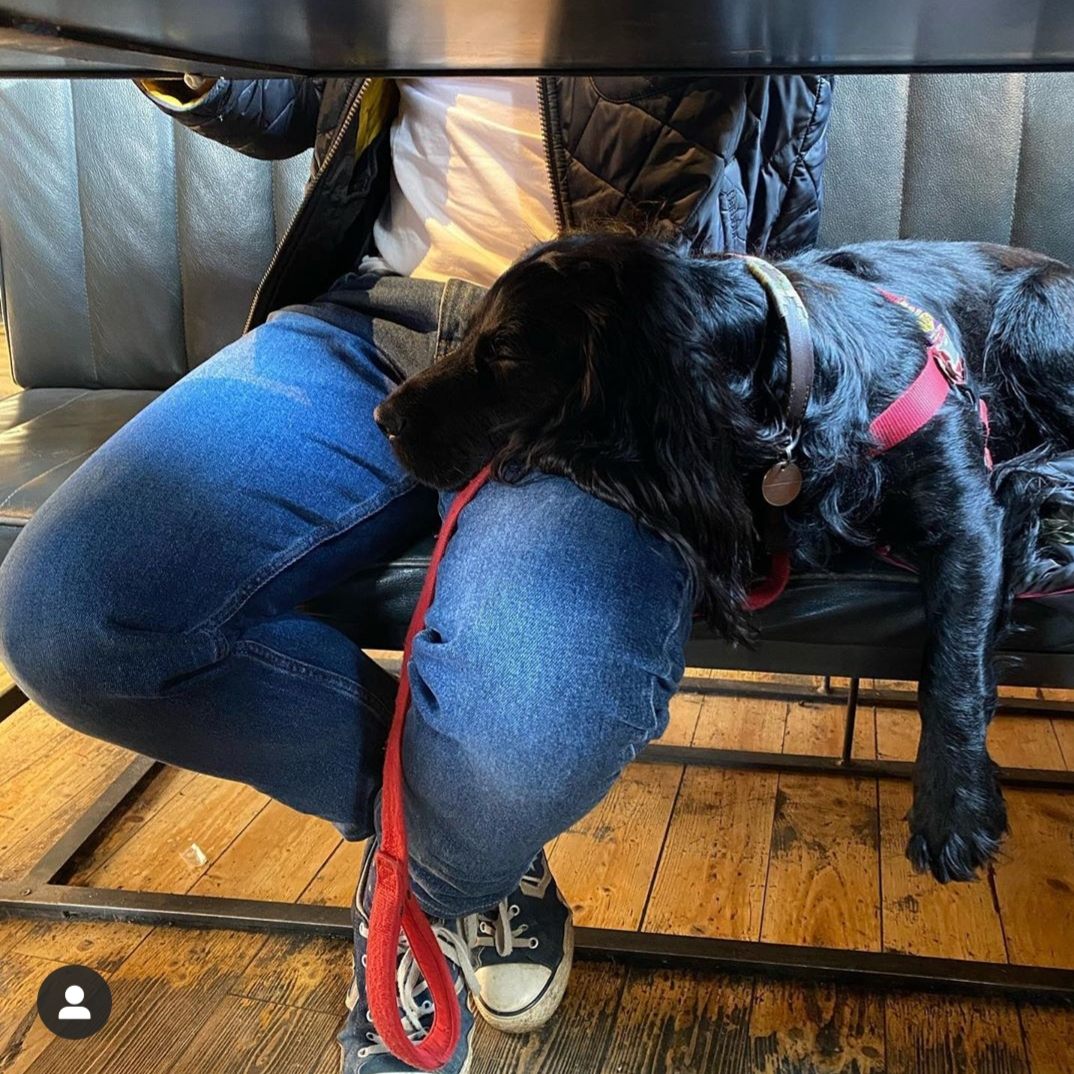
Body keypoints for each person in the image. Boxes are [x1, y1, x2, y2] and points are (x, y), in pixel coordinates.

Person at [0, 73, 832, 1072]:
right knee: (72, 617)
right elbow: (295, 97)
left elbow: (784, 143)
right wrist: (190, 56)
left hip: (606, 362)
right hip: (374, 320)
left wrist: (754, 407)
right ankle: (468, 858)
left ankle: (427, 882)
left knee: (513, 747)